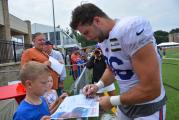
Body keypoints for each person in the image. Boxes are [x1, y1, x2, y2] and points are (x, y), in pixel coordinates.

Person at [70, 3, 166, 120]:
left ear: (97, 21)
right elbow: (112, 69)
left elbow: (151, 89)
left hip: (147, 106)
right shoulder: (104, 39)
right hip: (125, 103)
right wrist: (97, 86)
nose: (87, 38)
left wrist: (112, 100)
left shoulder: (129, 29)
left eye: (86, 32)